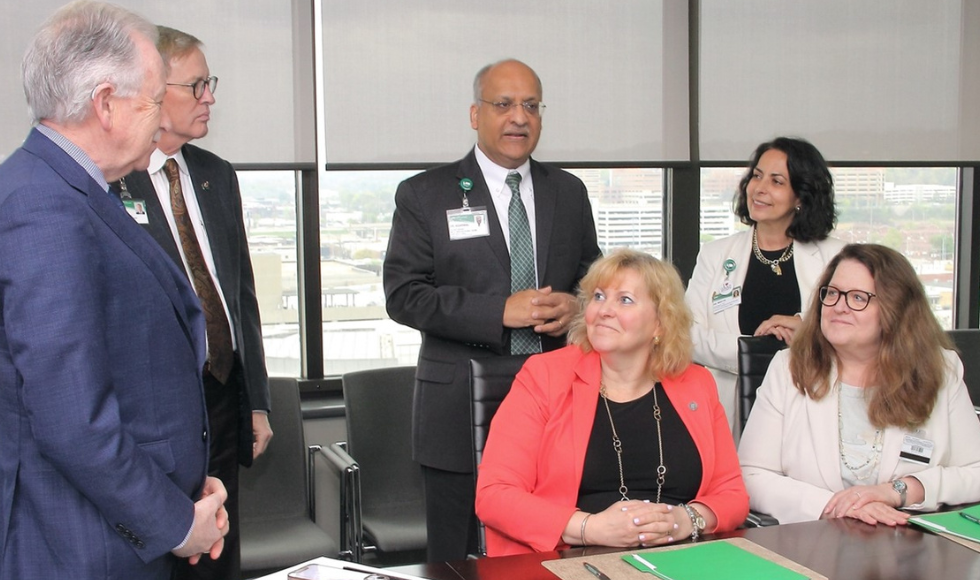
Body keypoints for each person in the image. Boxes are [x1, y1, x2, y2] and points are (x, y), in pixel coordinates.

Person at [0, 2, 228, 578]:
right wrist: (175, 522)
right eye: (153, 101)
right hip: (81, 544)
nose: (161, 120)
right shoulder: (42, 208)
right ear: (105, 103)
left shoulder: (76, 189)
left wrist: (181, 480)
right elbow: (72, 416)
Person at [383, 58, 600, 561]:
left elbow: (596, 280)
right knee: (457, 558)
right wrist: (496, 311)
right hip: (458, 405)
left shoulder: (568, 192)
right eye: (503, 104)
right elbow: (403, 294)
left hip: (556, 401)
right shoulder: (424, 193)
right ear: (475, 114)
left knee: (552, 547)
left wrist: (578, 304)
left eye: (530, 105)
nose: (518, 117)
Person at [118, 25, 272, 580]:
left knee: (220, 554)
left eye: (211, 83)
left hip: (224, 399)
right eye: (197, 85)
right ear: (153, 91)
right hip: (156, 413)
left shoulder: (215, 175)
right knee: (167, 554)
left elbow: (241, 298)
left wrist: (255, 401)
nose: (210, 97)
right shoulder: (112, 183)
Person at [475, 250, 748, 556]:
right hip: (569, 558)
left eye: (625, 300)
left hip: (681, 557)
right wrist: (590, 528)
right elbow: (494, 495)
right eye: (599, 297)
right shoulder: (545, 376)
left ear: (660, 323)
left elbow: (732, 492)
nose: (604, 310)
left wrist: (687, 520)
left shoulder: (696, 384)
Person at [739, 244, 980, 525]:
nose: (839, 307)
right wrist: (839, 506)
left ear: (896, 309)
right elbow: (751, 474)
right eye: (832, 293)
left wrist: (900, 491)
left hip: (909, 546)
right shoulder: (788, 368)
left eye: (858, 297)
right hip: (813, 542)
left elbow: (975, 471)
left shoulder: (940, 370)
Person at [686, 136, 844, 433]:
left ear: (801, 196)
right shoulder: (716, 254)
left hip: (811, 400)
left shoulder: (837, 256)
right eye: (756, 176)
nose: (759, 188)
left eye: (777, 181)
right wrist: (755, 353)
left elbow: (859, 330)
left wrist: (804, 327)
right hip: (731, 404)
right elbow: (687, 334)